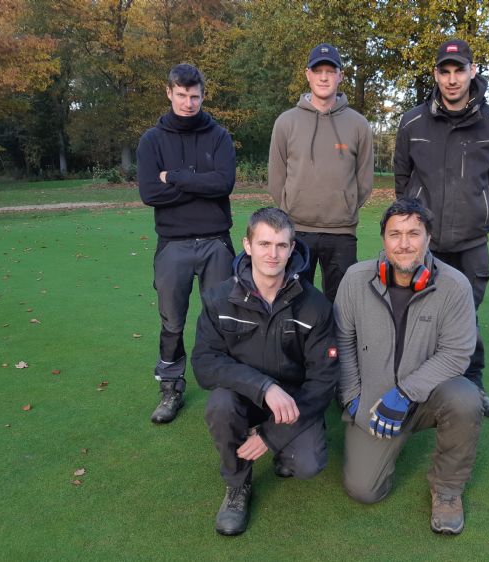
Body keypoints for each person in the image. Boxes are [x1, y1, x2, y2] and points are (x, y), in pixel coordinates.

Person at [334, 198, 482, 535]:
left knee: (465, 398)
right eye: (394, 234)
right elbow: (341, 342)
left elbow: (457, 354)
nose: (404, 244)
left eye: (414, 233)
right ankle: (387, 439)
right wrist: (351, 395)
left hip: (427, 396)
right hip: (374, 399)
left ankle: (447, 491)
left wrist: (403, 394)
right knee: (364, 491)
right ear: (383, 240)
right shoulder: (355, 280)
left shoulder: (455, 286)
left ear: (429, 238)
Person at [192, 207, 339, 536]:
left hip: (292, 404)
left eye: (282, 245)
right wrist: (262, 387)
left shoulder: (315, 305)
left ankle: (283, 449)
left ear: (292, 248)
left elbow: (324, 380)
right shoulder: (218, 299)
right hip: (243, 397)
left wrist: (271, 435)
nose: (273, 254)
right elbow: (204, 364)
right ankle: (237, 485)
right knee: (219, 403)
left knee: (308, 465)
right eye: (264, 244)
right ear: (247, 245)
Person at [393, 38, 489, 417]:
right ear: (436, 75)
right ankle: (412, 387)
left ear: (472, 71)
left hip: (471, 242)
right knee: (416, 316)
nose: (452, 78)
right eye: (445, 71)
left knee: (466, 319)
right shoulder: (412, 121)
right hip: (424, 244)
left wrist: (475, 209)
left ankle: (473, 387)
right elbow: (401, 176)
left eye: (459, 70)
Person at [137, 63, 236, 424]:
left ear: (202, 95)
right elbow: (150, 191)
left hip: (216, 242)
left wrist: (176, 178)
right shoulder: (152, 140)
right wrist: (199, 185)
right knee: (173, 322)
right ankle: (171, 386)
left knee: (225, 317)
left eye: (195, 96)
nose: (188, 103)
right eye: (181, 95)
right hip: (173, 244)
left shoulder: (219, 136)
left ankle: (229, 385)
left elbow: (223, 184)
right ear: (169, 93)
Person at [267, 43, 374, 303]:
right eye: (318, 70)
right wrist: (291, 208)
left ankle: (337, 346)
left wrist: (345, 206)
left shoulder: (359, 124)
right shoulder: (286, 122)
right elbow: (276, 176)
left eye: (330, 70)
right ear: (308, 74)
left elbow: (364, 180)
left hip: (342, 234)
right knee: (294, 302)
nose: (324, 77)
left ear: (340, 76)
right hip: (297, 231)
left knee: (341, 305)